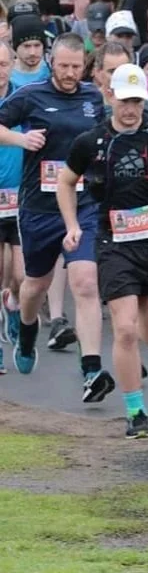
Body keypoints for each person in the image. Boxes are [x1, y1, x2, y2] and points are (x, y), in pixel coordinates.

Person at [59, 64, 148, 438]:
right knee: (124, 329)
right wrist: (73, 226)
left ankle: (134, 358)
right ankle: (135, 411)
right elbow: (65, 181)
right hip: (114, 243)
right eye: (124, 101)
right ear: (111, 97)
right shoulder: (90, 142)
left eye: (136, 101)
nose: (130, 109)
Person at [0, 34, 112, 401]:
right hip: (39, 208)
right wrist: (21, 140)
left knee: (85, 282)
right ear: (52, 61)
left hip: (82, 204)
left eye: (76, 67)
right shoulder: (31, 95)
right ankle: (27, 327)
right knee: (35, 285)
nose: (69, 73)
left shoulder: (92, 98)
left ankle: (91, 369)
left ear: (84, 65)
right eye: (62, 66)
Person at [0, 41, 23, 366]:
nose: (0, 70)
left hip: (22, 195)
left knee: (21, 274)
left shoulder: (24, 97)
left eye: (4, 63)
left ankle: (14, 304)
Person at [10, 16, 50, 89]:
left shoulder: (53, 72)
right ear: (15, 47)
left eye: (37, 45)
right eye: (26, 46)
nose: (32, 52)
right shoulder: (5, 75)